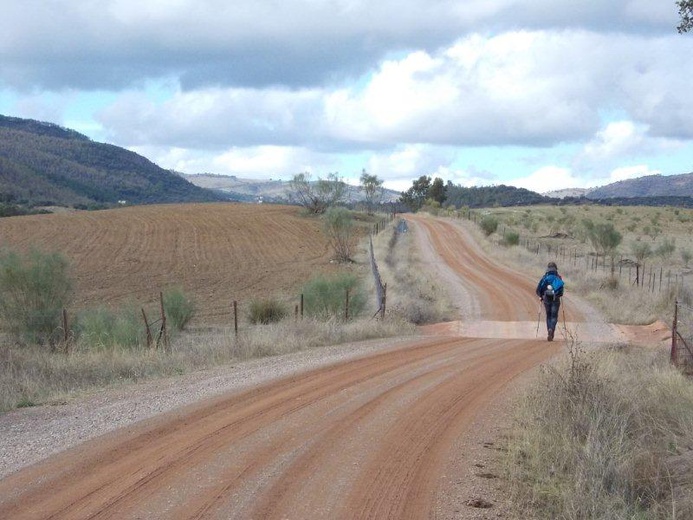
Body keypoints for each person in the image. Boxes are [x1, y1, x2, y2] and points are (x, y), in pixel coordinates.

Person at [536, 261, 564, 341]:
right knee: (554, 316)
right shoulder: (558, 277)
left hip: (546, 299)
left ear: (548, 268)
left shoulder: (545, 277)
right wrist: (558, 295)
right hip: (556, 299)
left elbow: (539, 289)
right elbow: (561, 291)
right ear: (555, 268)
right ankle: (552, 329)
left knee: (548, 315)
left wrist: (541, 296)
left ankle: (549, 330)